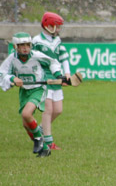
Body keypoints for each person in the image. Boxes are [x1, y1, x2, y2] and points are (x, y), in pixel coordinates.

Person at [0, 32, 63, 157]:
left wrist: (58, 75)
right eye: (21, 45)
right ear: (15, 47)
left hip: (38, 89)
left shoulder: (36, 56)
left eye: (27, 45)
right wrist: (12, 79)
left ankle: (39, 140)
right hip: (24, 91)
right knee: (26, 124)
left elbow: (53, 62)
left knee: (26, 114)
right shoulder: (12, 58)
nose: (25, 48)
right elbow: (2, 73)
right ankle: (45, 148)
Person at [32, 12, 70, 151]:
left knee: (58, 110)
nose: (59, 30)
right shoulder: (36, 41)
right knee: (47, 110)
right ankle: (48, 142)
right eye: (57, 26)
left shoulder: (57, 41)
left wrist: (66, 74)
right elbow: (32, 60)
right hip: (43, 79)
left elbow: (64, 58)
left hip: (56, 78)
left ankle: (39, 129)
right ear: (49, 26)